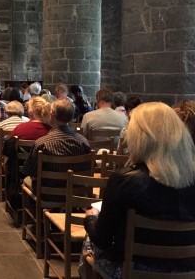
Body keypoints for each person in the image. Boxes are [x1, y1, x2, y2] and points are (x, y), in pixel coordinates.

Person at [83, 102, 195, 277]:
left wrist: (90, 218)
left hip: (133, 271)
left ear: (138, 137)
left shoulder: (124, 179)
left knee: (89, 244)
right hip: (187, 270)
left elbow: (102, 239)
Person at [21, 99, 91, 181]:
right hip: (75, 189)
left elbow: (31, 172)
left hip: (47, 191)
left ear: (52, 115)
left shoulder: (41, 143)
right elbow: (88, 170)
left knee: (27, 180)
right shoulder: (83, 142)